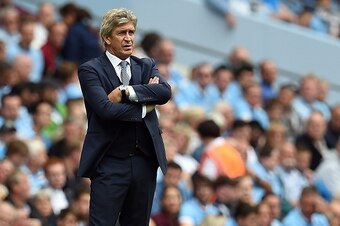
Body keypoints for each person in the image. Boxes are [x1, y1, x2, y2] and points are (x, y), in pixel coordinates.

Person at [76, 8, 172, 226]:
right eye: (122, 33)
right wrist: (145, 106)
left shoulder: (146, 65)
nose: (128, 38)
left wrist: (125, 92)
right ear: (107, 38)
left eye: (131, 32)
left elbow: (164, 93)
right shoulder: (90, 70)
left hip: (144, 162)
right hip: (109, 163)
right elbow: (106, 110)